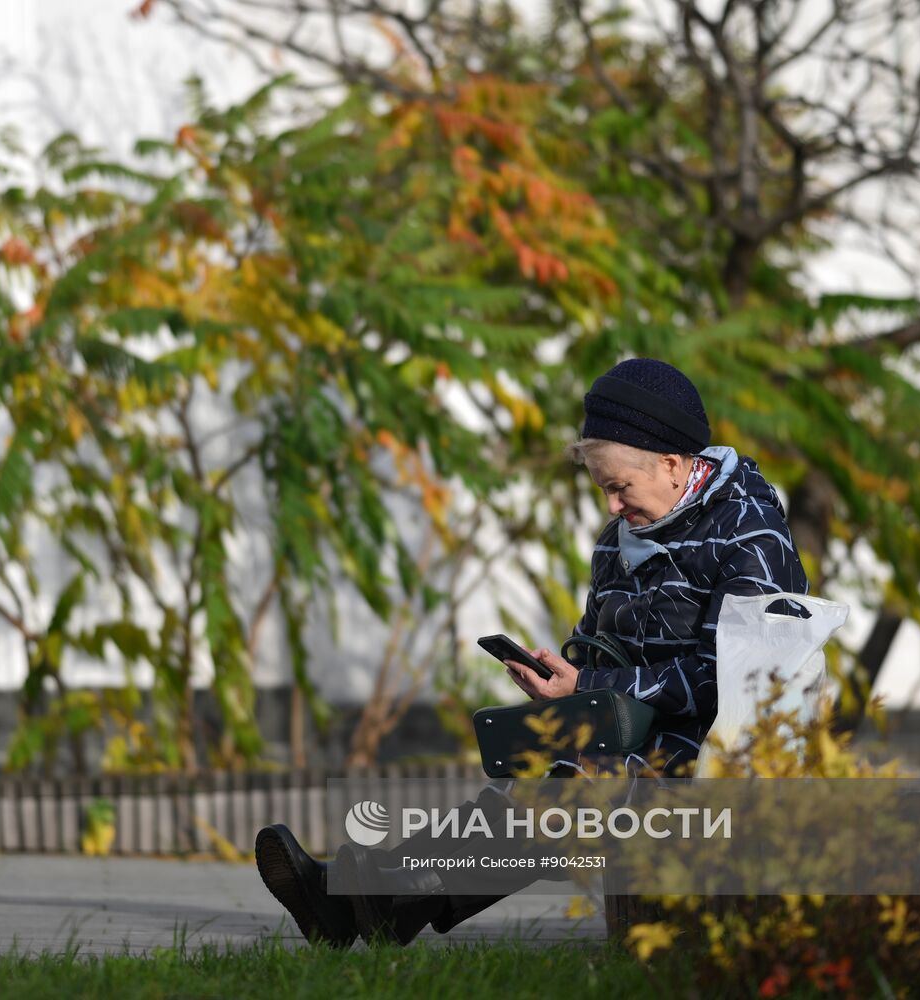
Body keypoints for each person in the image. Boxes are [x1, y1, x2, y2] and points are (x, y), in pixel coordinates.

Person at [255, 358, 809, 946]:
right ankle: (367, 899)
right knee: (534, 772)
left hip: (719, 741)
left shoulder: (750, 537)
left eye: (619, 487)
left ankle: (362, 898)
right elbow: (599, 643)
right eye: (603, 490)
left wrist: (596, 690)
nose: (612, 508)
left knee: (569, 785)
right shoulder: (619, 541)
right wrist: (565, 679)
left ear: (672, 465)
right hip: (627, 728)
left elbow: (735, 678)